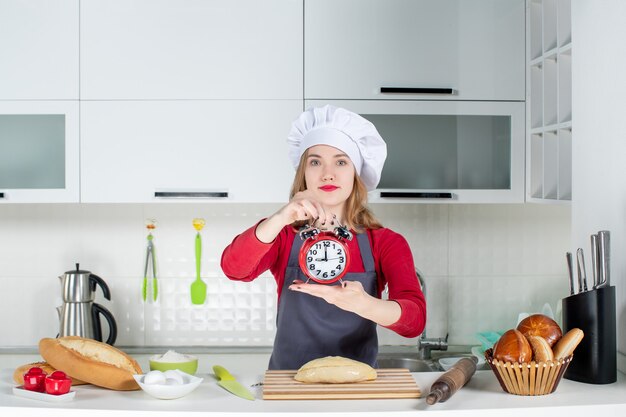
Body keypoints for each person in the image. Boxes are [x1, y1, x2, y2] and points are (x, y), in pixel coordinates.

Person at [220, 105, 426, 370]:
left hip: (355, 387)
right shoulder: (283, 235)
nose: (327, 173)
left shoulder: (386, 243)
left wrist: (365, 304)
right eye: (315, 162)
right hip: (288, 384)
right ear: (303, 173)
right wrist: (280, 218)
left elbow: (415, 321)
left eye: (341, 161)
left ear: (356, 173)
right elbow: (234, 269)